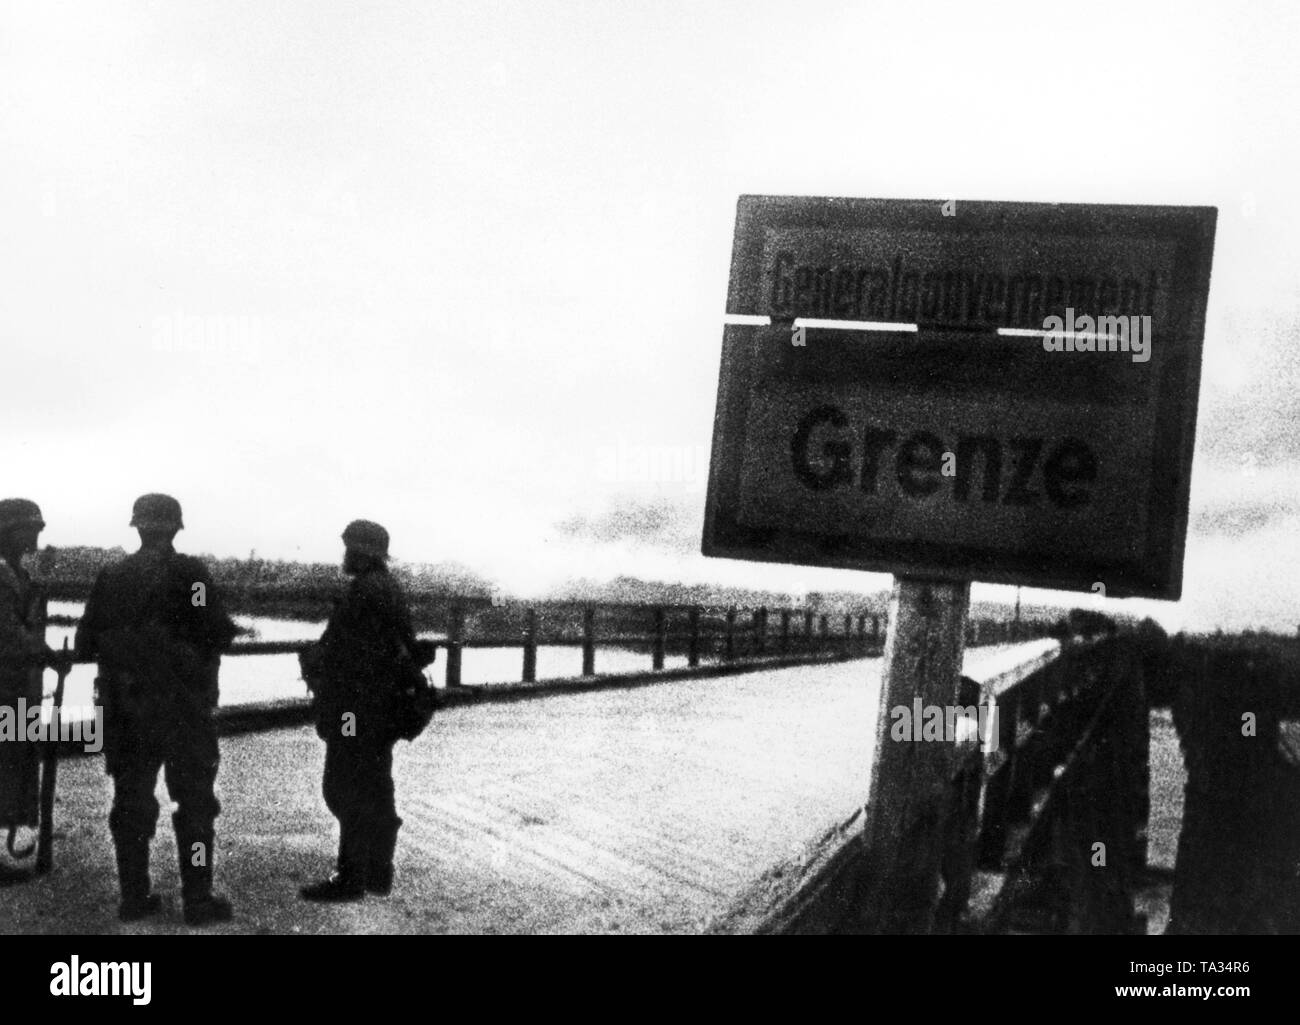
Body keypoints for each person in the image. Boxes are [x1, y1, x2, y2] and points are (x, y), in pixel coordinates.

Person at [75, 494, 238, 924]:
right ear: (176, 528)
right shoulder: (193, 575)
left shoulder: (111, 576)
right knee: (196, 807)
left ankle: (133, 897)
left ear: (138, 528)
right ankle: (198, 900)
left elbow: (84, 643)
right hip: (183, 710)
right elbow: (217, 630)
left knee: (130, 802)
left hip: (126, 709)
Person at [298, 519, 418, 901]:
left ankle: (350, 878)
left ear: (360, 551)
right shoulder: (391, 588)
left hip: (354, 709)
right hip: (383, 708)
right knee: (377, 785)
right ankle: (378, 872)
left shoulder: (362, 591)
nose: (344, 554)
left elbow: (340, 651)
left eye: (348, 547)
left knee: (343, 787)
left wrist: (314, 663)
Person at [0, 499, 51, 883]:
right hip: (6, 688)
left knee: (14, 765)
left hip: (19, 690)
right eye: (29, 528)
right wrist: (45, 652)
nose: (36, 535)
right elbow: (10, 634)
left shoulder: (19, 575)